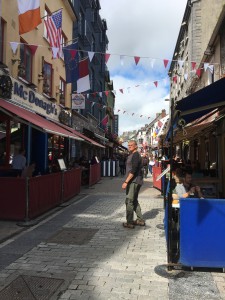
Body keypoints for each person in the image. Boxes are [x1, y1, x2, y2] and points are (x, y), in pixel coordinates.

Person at [122, 140, 145, 229]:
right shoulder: (132, 154)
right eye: (128, 145)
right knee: (134, 200)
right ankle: (140, 220)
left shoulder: (135, 155)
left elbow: (134, 170)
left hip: (134, 181)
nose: (129, 146)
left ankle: (130, 222)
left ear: (136, 146)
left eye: (131, 145)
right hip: (135, 180)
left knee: (129, 201)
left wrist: (126, 182)